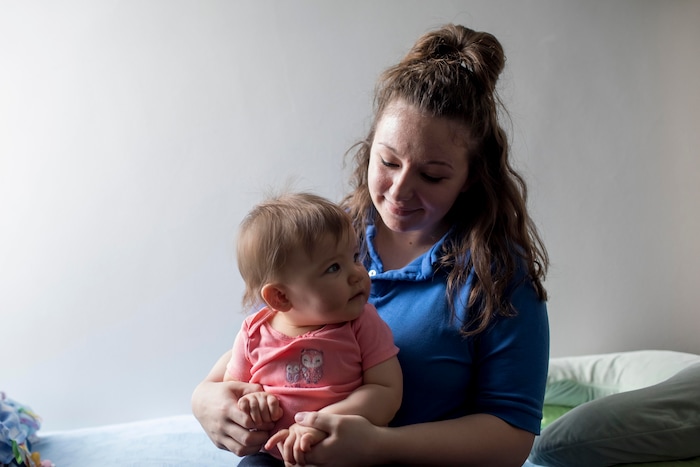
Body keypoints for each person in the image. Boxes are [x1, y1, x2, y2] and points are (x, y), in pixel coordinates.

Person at [192, 23, 549, 466]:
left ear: (471, 176)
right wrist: (204, 399)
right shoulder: (335, 236)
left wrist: (380, 445)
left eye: (432, 175)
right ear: (369, 147)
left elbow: (512, 437)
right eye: (388, 161)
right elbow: (277, 335)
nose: (399, 192)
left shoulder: (498, 277)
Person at [222, 192, 402, 466]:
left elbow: (386, 391)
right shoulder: (253, 333)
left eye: (355, 257)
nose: (357, 273)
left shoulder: (361, 323)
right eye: (333, 268)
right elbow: (234, 391)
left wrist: (321, 422)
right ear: (280, 297)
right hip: (272, 457)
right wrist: (254, 402)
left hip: (343, 452)